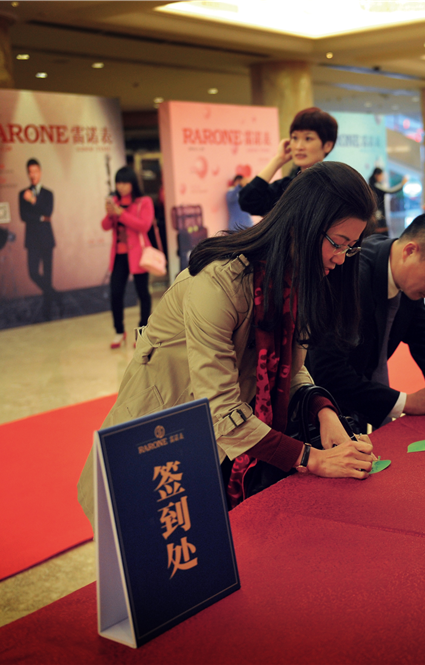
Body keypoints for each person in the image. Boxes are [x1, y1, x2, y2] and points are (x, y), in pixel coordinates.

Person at [77, 162, 378, 524]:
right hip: (156, 443)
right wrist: (312, 459)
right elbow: (222, 410)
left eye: (351, 247)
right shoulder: (218, 284)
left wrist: (325, 413)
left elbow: (292, 368)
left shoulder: (296, 280)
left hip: (213, 446)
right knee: (154, 542)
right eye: (338, 243)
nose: (341, 258)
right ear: (303, 223)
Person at [307, 210, 425, 431]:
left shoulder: (405, 276)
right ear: (410, 251)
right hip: (320, 411)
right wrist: (408, 402)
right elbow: (328, 372)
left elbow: (424, 336)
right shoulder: (352, 278)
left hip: (359, 400)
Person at [238, 107, 338, 216]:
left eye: (308, 138)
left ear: (328, 145)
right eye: (295, 138)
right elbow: (247, 201)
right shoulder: (285, 187)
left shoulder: (336, 187)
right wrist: (278, 160)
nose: (299, 146)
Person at [102, 166, 154, 349]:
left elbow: (144, 225)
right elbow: (105, 226)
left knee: (142, 293)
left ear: (132, 183)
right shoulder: (115, 201)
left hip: (139, 255)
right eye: (118, 182)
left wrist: (121, 214)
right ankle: (119, 331)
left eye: (124, 182)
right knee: (115, 293)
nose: (121, 186)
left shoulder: (143, 202)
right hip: (119, 255)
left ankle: (143, 332)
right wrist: (110, 214)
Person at [19, 158, 56, 319]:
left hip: (47, 239)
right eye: (30, 172)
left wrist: (33, 201)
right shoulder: (23, 193)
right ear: (27, 174)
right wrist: (40, 218)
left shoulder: (48, 193)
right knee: (33, 272)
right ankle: (56, 295)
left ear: (40, 172)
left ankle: (48, 312)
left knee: (48, 275)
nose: (32, 175)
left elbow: (48, 211)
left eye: (35, 171)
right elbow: (23, 216)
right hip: (32, 240)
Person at [368, 167, 408, 236]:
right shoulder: (376, 186)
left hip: (376, 211)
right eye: (381, 175)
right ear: (377, 175)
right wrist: (402, 184)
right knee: (380, 229)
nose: (382, 177)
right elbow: (390, 191)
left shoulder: (372, 185)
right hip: (378, 212)